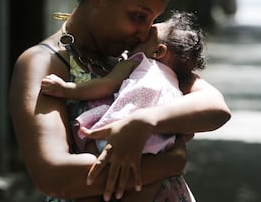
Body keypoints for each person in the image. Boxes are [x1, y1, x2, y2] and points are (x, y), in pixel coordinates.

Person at [9, 0, 231, 202]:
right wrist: (171, 161)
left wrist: (144, 122)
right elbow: (55, 176)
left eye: (152, 21)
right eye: (138, 16)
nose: (145, 31)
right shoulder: (44, 63)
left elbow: (215, 107)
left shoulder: (140, 57)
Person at [40, 11, 206, 202]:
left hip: (121, 133)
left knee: (95, 158)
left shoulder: (138, 62)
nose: (142, 35)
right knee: (145, 186)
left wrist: (65, 89)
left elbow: (105, 85)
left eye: (150, 33)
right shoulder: (177, 84)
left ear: (158, 51)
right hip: (159, 144)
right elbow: (186, 131)